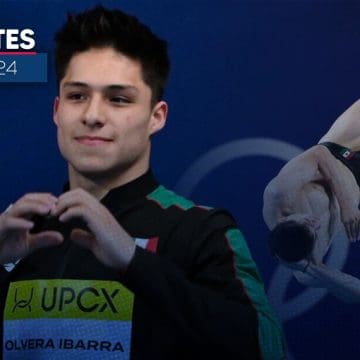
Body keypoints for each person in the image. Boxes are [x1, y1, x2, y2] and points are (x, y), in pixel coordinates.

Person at [0, 5, 284, 360]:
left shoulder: (201, 231)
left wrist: (134, 261)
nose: (92, 116)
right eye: (77, 96)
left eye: (118, 99)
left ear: (156, 117)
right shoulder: (18, 236)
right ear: (57, 110)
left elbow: (267, 348)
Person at [263, 98, 360, 302]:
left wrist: (347, 205)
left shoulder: (278, 194)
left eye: (306, 222)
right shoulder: (309, 265)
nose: (314, 223)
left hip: (345, 148)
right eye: (315, 232)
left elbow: (319, 153)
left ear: (285, 220)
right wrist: (310, 269)